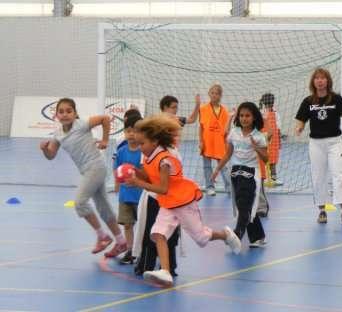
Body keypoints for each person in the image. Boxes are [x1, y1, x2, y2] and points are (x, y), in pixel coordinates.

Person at [126, 114, 241, 286]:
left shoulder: (165, 160)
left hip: (182, 202)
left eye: (142, 143)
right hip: (168, 204)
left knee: (201, 238)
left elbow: (162, 188)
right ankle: (165, 271)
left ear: (155, 142)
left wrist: (138, 182)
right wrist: (134, 171)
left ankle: (224, 235)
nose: (140, 147)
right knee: (157, 233)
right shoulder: (149, 157)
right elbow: (150, 177)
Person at [39, 98, 127, 257]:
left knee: (80, 202)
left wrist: (106, 140)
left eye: (68, 111)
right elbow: (51, 155)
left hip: (96, 168)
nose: (65, 114)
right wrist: (45, 149)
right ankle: (121, 242)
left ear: (75, 113)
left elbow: (105, 119)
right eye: (61, 111)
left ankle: (103, 236)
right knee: (103, 207)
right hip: (87, 172)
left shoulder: (81, 124)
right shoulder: (58, 134)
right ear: (56, 115)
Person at [295, 68, 342, 224]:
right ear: (313, 82)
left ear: (328, 81)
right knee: (318, 177)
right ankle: (322, 211)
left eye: (323, 78)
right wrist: (299, 127)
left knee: (339, 175)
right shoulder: (308, 101)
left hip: (335, 142)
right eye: (317, 78)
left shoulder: (335, 99)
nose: (320, 81)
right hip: (316, 144)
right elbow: (301, 119)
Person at [212, 102, 268, 248]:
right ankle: (258, 237)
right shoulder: (234, 133)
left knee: (244, 205)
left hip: (250, 174)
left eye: (247, 115)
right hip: (236, 173)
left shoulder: (259, 136)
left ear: (254, 117)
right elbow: (228, 154)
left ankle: (236, 236)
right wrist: (217, 169)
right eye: (242, 115)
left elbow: (266, 158)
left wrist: (257, 148)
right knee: (243, 205)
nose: (244, 118)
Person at [113, 116, 143, 264]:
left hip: (140, 196)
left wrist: (138, 181)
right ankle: (130, 251)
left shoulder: (143, 152)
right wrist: (117, 184)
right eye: (128, 131)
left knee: (144, 226)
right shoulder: (121, 151)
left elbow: (146, 173)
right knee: (127, 224)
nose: (131, 134)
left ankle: (144, 251)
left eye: (135, 131)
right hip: (125, 196)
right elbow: (116, 168)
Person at [198, 84, 231, 196]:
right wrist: (201, 141)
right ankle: (210, 187)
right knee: (207, 166)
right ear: (209, 94)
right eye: (212, 93)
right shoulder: (203, 109)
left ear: (220, 95)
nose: (214, 95)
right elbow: (201, 127)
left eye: (217, 93)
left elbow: (227, 129)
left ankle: (229, 188)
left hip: (220, 142)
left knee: (223, 167)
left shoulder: (225, 111)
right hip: (207, 141)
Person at [259, 93, 282, 186]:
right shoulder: (261, 112)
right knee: (263, 158)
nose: (270, 103)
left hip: (274, 139)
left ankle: (273, 177)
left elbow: (278, 127)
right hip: (264, 137)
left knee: (273, 158)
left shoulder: (276, 113)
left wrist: (279, 140)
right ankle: (263, 177)